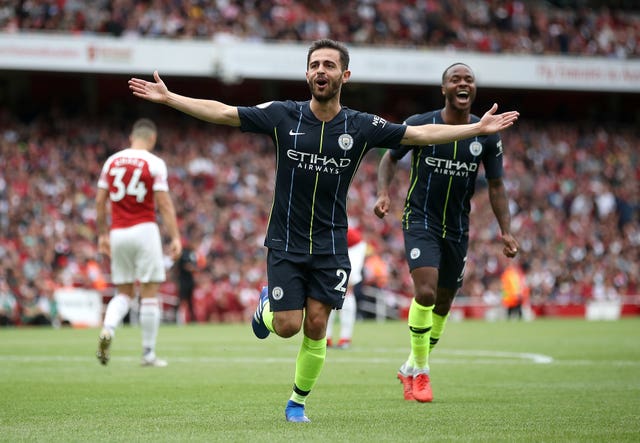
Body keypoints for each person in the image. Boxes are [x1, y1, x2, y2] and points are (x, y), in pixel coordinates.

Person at [128, 39, 518, 422]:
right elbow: (225, 112)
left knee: (316, 325)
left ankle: (297, 403)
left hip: (332, 244)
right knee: (286, 327)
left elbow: (418, 135)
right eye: (315, 65)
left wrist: (474, 130)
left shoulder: (361, 125)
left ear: (344, 75)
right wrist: (172, 99)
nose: (321, 71)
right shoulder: (284, 115)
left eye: (329, 65)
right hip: (285, 241)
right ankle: (268, 308)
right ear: (306, 74)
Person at [374, 62, 520, 403]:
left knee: (442, 305)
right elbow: (389, 158)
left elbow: (497, 185)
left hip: (457, 228)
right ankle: (422, 372)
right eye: (455, 79)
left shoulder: (486, 133)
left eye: (468, 79)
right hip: (420, 219)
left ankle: (410, 365)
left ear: (474, 89)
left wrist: (507, 231)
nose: (462, 83)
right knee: (424, 292)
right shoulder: (421, 124)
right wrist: (384, 192)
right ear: (444, 88)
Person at [95, 118, 182, 367]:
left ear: (131, 137)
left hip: (118, 232)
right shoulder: (154, 163)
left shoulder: (112, 161)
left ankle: (108, 329)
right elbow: (164, 203)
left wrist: (102, 234)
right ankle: (148, 354)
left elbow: (100, 201)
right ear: (151, 139)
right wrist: (175, 236)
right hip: (144, 230)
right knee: (149, 291)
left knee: (123, 292)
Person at [326, 226, 367, 349]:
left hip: (353, 247)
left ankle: (345, 338)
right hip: (337, 249)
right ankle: (326, 337)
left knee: (347, 288)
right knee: (329, 291)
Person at [175, 238, 199, 324]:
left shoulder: (192, 254)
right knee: (181, 300)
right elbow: (186, 266)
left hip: (189, 281)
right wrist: (193, 269)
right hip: (183, 280)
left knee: (190, 301)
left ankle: (192, 319)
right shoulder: (184, 253)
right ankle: (177, 319)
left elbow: (194, 266)